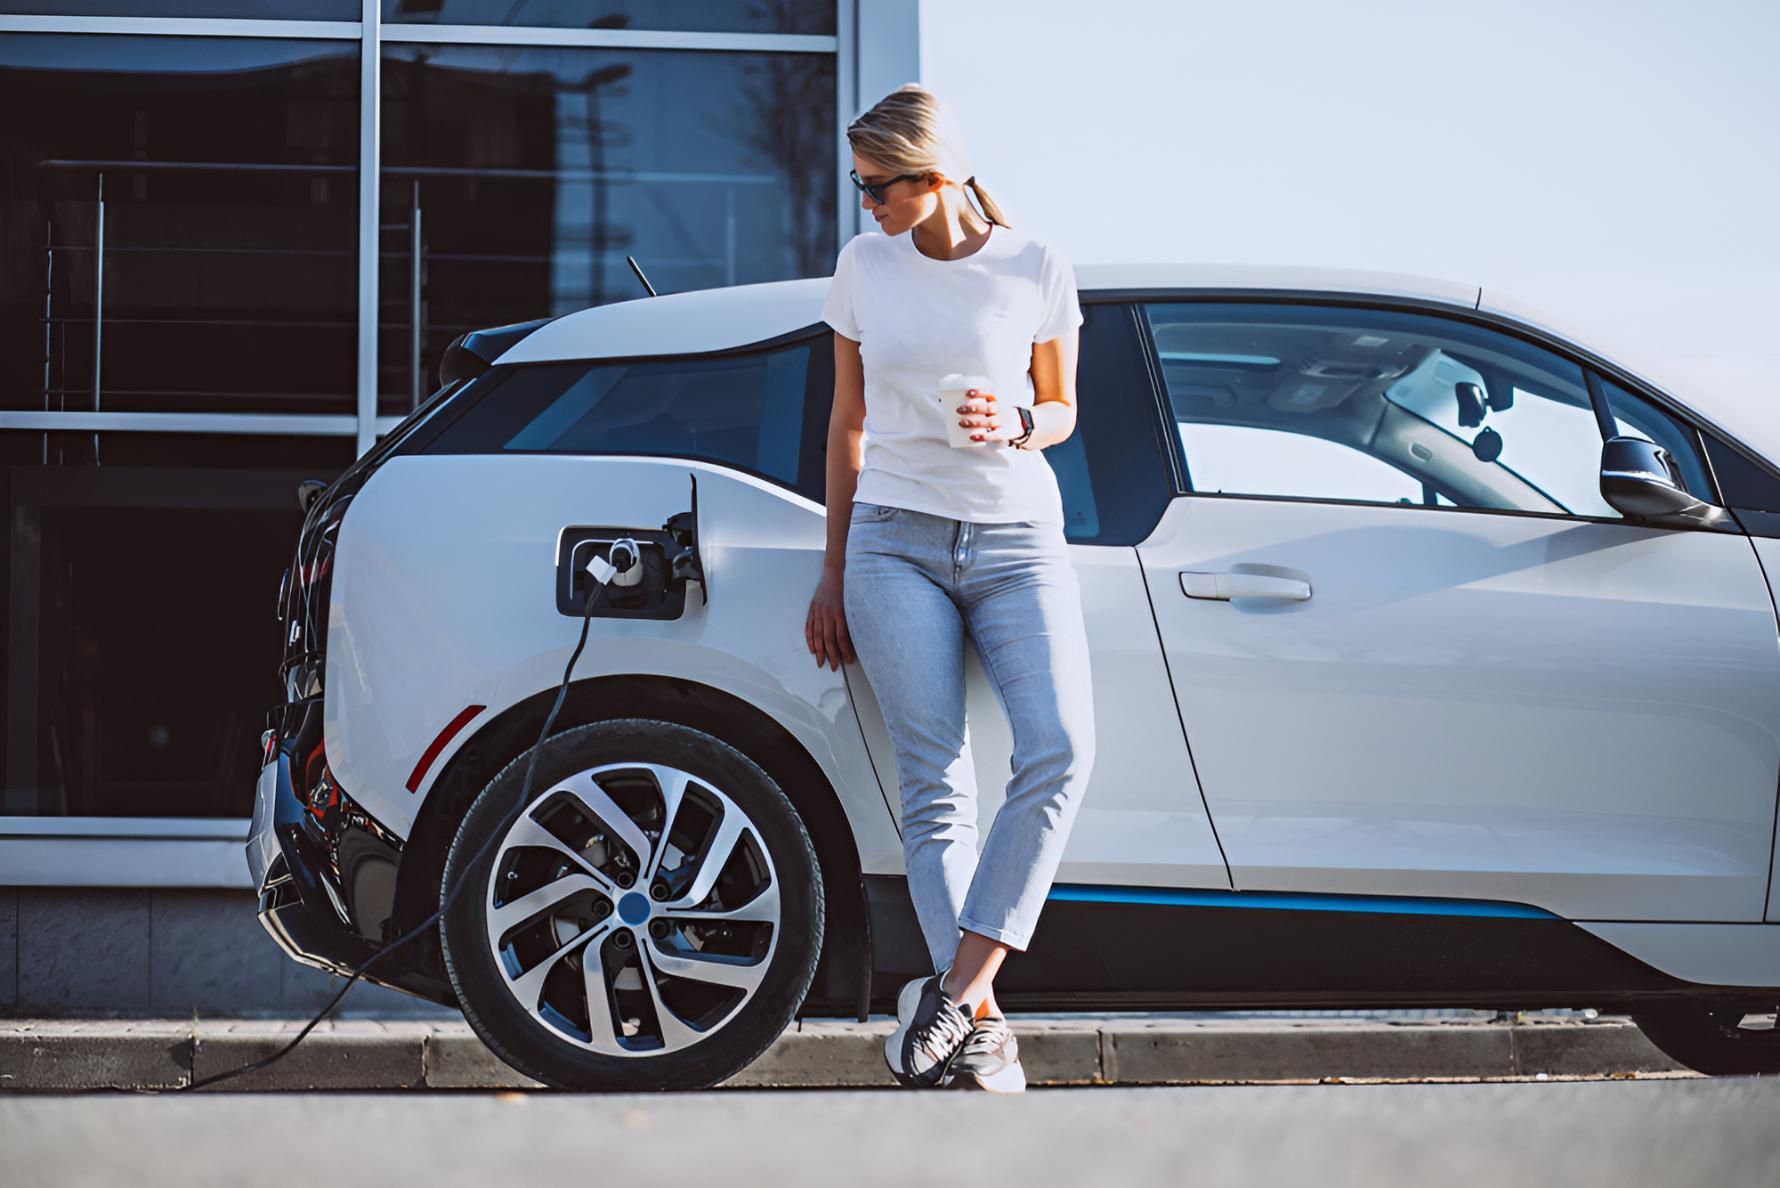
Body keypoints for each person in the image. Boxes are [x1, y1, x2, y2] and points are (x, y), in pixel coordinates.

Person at [805, 83, 1096, 1094]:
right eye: (860, 189)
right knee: (937, 790)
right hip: (892, 541)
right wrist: (834, 569)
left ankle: (950, 996)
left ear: (933, 179)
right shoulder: (862, 267)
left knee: (1061, 748)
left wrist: (1014, 421)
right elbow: (847, 424)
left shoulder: (1034, 265)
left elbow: (1061, 408)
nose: (867, 207)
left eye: (879, 189)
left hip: (1018, 538)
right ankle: (979, 1031)